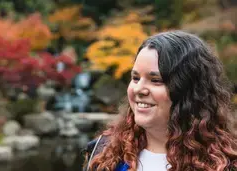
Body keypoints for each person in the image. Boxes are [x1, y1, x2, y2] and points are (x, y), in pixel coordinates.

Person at [82, 30, 237, 171]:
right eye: (135, 78)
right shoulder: (103, 154)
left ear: (189, 91)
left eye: (156, 80)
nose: (138, 89)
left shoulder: (225, 164)